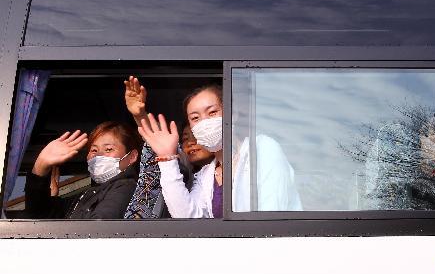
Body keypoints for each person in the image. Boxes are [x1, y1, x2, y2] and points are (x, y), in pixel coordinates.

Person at [137, 84, 302, 218]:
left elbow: (272, 218)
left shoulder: (262, 148)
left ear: (232, 114)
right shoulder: (206, 175)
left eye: (212, 112)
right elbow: (186, 217)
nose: (204, 122)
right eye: (195, 118)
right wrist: (167, 159)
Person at [122, 76, 213, 219]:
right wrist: (140, 115)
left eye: (196, 137)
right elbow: (159, 141)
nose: (190, 143)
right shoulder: (181, 165)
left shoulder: (229, 166)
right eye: (185, 139)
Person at [25, 121, 141, 219]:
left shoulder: (126, 187)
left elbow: (97, 231)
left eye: (108, 149)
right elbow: (39, 216)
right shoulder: (86, 195)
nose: (98, 155)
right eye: (94, 150)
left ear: (131, 157)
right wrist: (40, 166)